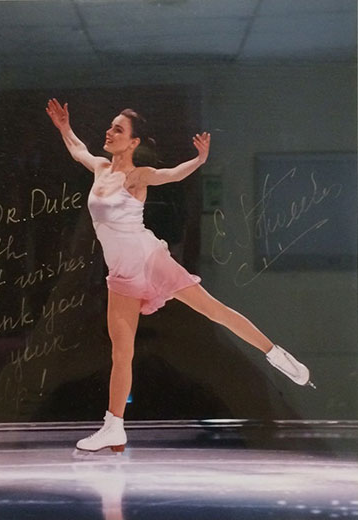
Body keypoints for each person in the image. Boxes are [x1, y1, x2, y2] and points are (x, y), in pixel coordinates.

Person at [46, 98, 316, 453]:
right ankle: (114, 427)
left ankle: (276, 354)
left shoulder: (137, 176)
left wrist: (199, 161)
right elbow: (78, 150)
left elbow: (172, 174)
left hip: (149, 260)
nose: (109, 132)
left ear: (133, 142)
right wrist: (65, 127)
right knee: (121, 353)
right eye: (111, 127)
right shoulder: (100, 168)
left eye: (118, 130)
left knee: (214, 311)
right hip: (122, 273)